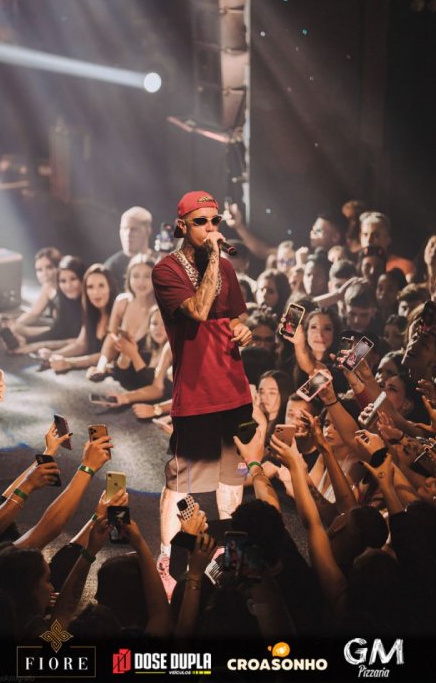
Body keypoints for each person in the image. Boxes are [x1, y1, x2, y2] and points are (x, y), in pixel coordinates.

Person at [151, 190, 252, 597]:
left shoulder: (224, 266)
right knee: (183, 480)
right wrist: (214, 257)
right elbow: (198, 309)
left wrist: (243, 329)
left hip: (234, 388)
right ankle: (166, 559)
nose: (210, 228)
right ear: (182, 226)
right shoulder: (166, 270)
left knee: (233, 476)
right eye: (201, 222)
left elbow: (236, 315)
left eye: (215, 221)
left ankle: (228, 555)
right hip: (196, 393)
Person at [46, 264, 117, 373]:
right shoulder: (91, 313)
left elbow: (107, 354)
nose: (96, 292)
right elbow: (81, 345)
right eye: (90, 287)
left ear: (110, 287)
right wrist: (52, 355)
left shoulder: (118, 314)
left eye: (101, 286)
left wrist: (69, 363)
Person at [104, 206, 153, 291]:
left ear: (148, 230)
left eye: (134, 229)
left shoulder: (161, 261)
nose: (128, 234)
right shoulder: (110, 268)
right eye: (124, 228)